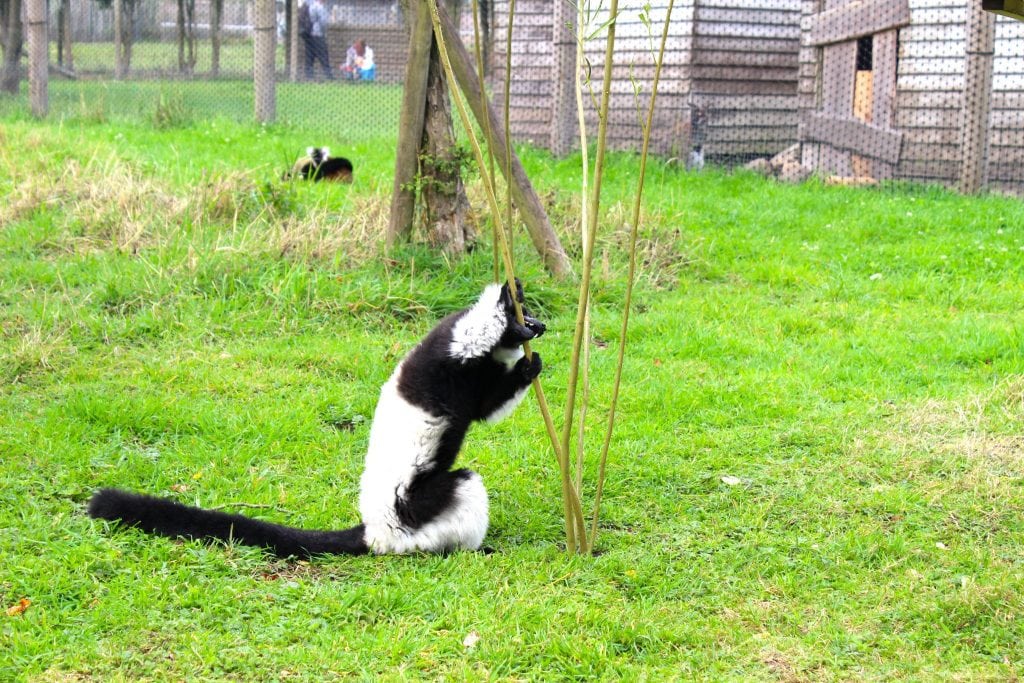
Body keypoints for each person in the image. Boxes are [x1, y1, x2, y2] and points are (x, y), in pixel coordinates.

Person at [302, 0, 332, 81]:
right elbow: (323, 22)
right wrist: (324, 31)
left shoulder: (309, 4)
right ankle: (329, 76)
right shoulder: (319, 7)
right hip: (318, 35)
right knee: (324, 56)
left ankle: (309, 76)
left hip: (308, 35)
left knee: (309, 57)